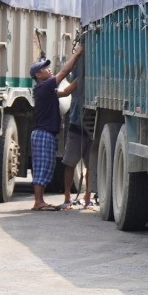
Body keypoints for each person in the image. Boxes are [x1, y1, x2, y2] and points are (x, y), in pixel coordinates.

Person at [28, 43, 83, 211]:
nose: (49, 70)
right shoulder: (44, 86)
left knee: (46, 166)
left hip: (45, 134)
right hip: (43, 134)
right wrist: (78, 53)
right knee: (42, 167)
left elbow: (65, 92)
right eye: (45, 69)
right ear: (38, 75)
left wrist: (82, 78)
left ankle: (40, 200)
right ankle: (38, 202)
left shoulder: (46, 90)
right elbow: (64, 72)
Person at [58, 52, 93, 210]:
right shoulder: (79, 80)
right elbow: (66, 89)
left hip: (82, 125)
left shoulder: (81, 80)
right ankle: (71, 196)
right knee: (73, 163)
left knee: (81, 164)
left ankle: (84, 197)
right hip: (79, 124)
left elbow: (65, 90)